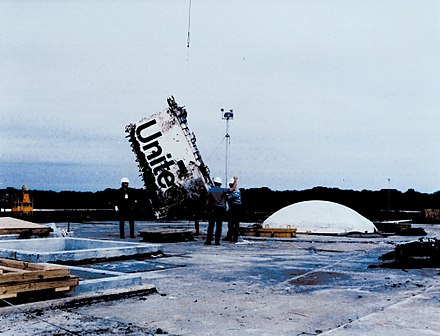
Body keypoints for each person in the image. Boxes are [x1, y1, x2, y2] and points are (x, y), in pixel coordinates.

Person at [205, 176, 237, 245]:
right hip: (220, 210)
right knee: (219, 226)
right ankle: (217, 241)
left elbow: (208, 200)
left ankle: (208, 241)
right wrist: (235, 180)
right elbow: (233, 189)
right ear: (220, 183)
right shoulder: (223, 190)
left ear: (214, 183)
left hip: (212, 209)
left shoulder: (211, 190)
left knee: (211, 226)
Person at [224, 178, 242, 242]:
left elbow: (231, 197)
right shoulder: (230, 191)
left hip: (236, 208)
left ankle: (235, 237)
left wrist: (227, 194)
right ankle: (229, 236)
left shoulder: (237, 191)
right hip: (232, 208)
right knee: (230, 223)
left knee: (235, 223)